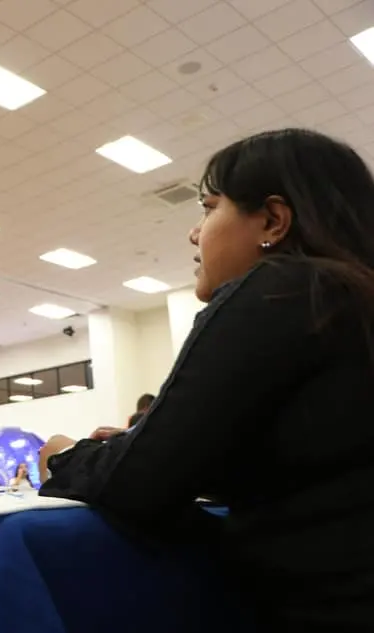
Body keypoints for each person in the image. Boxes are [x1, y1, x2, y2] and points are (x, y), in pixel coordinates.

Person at [37, 129, 374, 632]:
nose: (195, 233)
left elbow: (139, 488)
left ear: (273, 221)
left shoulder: (279, 289)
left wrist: (66, 455)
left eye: (209, 207)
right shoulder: (349, 300)